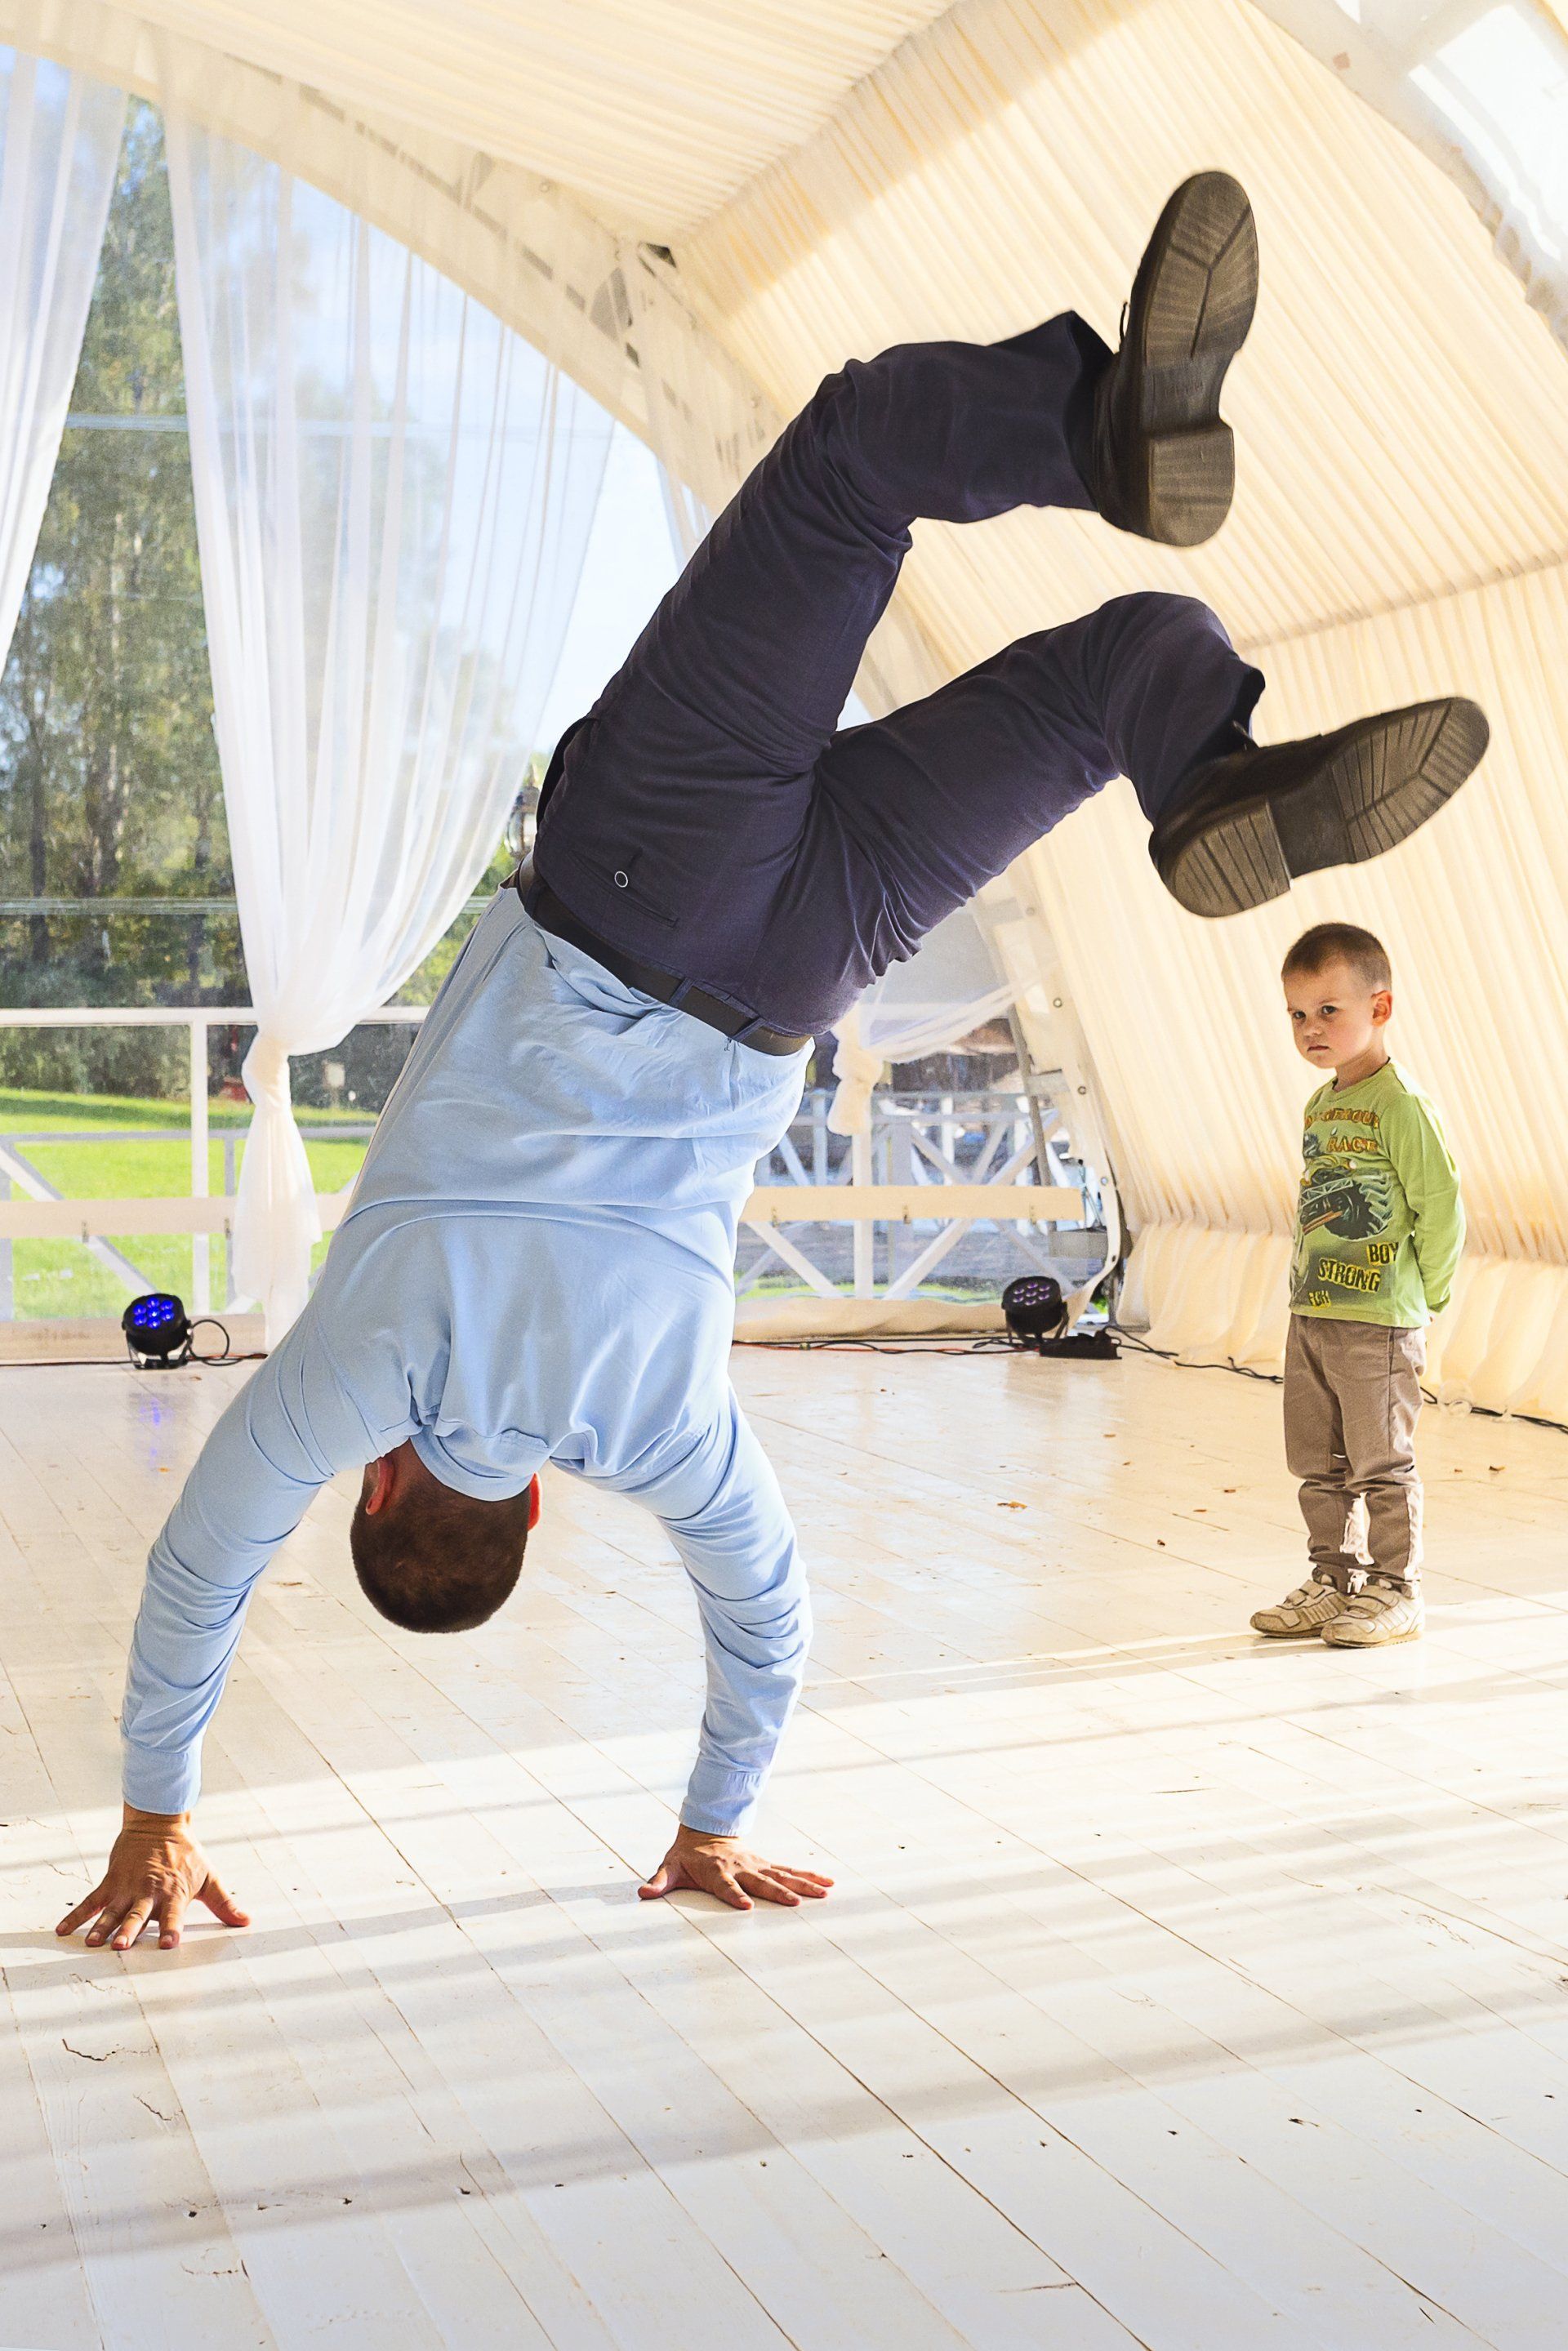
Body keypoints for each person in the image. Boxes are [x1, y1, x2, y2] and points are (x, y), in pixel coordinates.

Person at [60, 172, 1487, 1952]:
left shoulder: (656, 1426)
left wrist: (713, 1816)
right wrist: (152, 1808)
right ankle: (1098, 429)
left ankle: (1197, 765)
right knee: (850, 458)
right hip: (642, 877)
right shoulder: (363, 1372)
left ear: (523, 1518)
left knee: (1116, 669)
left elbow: (770, 1608)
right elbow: (200, 1565)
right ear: (386, 1482)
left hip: (801, 965)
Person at [1251, 922, 1464, 1647]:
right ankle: (1331, 1577)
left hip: (1379, 1318)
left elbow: (1440, 1206)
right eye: (1297, 1014)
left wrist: (1424, 1300)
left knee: (1381, 1459)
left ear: (1380, 1008)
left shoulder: (1400, 1104)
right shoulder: (1320, 1104)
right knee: (1317, 1458)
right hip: (1313, 1309)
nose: (1311, 1027)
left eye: (1328, 1010)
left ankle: (1396, 1587)